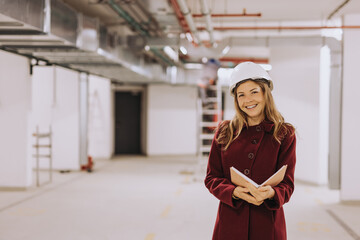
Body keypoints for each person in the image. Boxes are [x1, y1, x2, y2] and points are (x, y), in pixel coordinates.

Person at [204, 61, 296, 240]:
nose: (248, 100)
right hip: (230, 222)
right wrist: (232, 192)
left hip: (267, 224)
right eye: (241, 95)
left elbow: (287, 185)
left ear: (265, 93)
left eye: (254, 92)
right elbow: (211, 178)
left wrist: (272, 193)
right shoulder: (224, 132)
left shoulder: (284, 134)